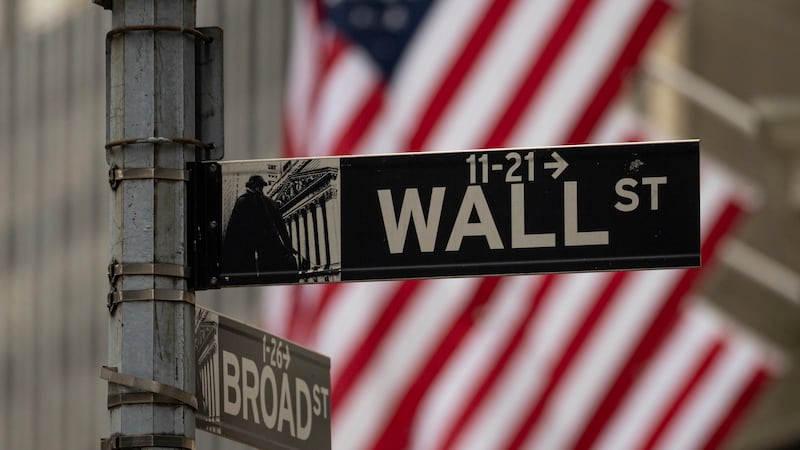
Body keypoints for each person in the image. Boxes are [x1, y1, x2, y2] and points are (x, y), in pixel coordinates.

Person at [222, 175, 299, 283]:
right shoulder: (270, 203)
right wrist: (288, 247)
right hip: (266, 250)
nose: (259, 189)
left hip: (250, 251)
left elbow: (232, 230)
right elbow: (282, 229)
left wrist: (226, 257)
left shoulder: (243, 201)